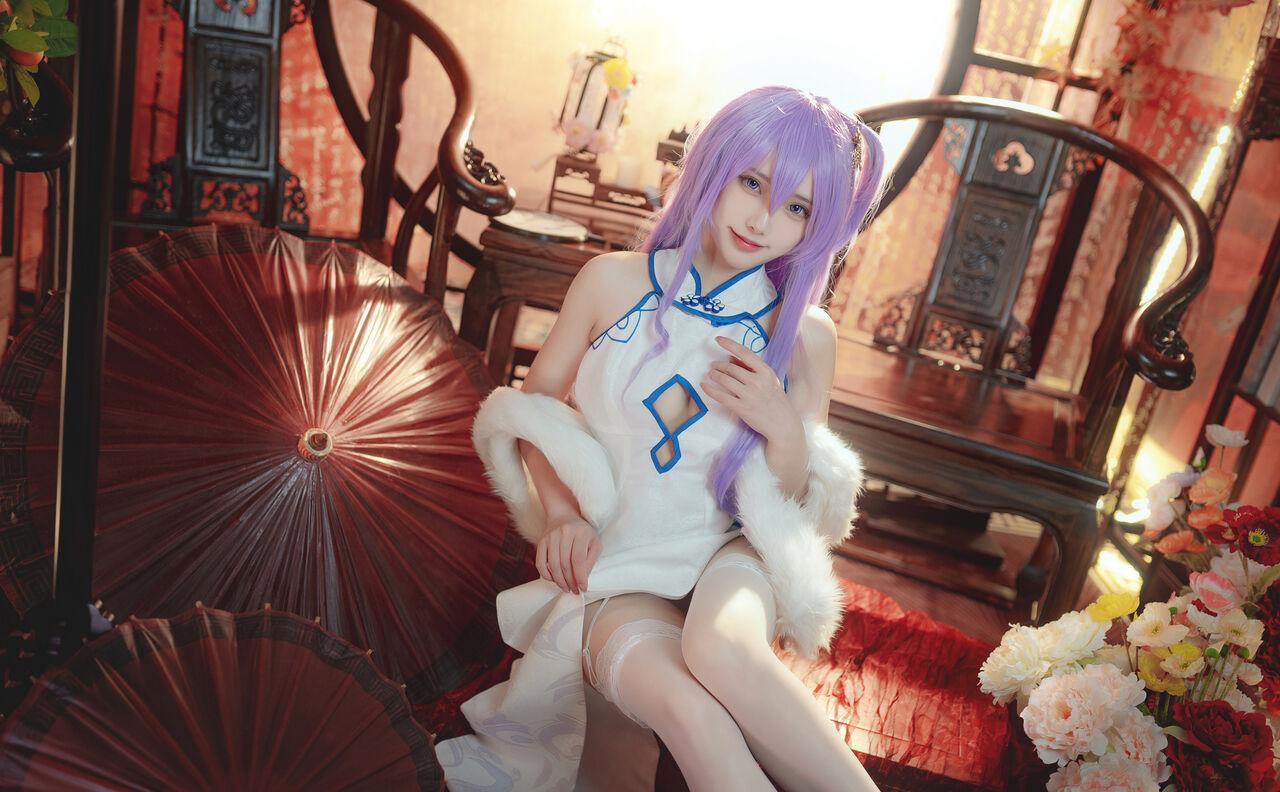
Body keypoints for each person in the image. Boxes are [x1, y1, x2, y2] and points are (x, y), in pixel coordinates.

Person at [436, 86, 885, 792]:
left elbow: (798, 501)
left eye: (797, 208)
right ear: (714, 165)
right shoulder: (609, 283)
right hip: (620, 569)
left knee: (724, 650)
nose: (764, 220)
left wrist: (780, 425)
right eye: (752, 183)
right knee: (693, 715)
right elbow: (533, 413)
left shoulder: (804, 334)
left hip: (733, 559)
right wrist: (562, 514)